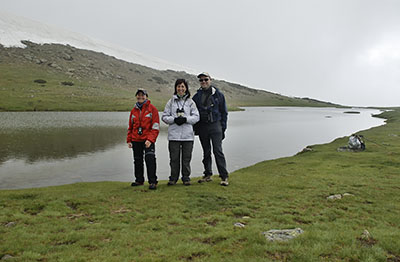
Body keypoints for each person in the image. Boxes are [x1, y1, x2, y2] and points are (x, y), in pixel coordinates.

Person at [192, 72, 229, 186]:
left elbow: (224, 113)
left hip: (215, 125)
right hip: (203, 126)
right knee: (206, 151)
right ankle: (207, 174)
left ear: (210, 80)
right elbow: (193, 112)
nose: (203, 82)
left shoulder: (218, 95)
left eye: (205, 79)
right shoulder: (196, 96)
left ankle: (224, 176)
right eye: (201, 80)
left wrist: (223, 128)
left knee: (217, 151)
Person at [162, 79, 200, 185]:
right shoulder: (170, 102)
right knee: (174, 159)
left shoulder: (191, 102)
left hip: (188, 136)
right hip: (173, 136)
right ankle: (173, 178)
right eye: (178, 86)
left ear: (186, 88)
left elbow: (197, 117)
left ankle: (186, 178)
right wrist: (174, 119)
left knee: (186, 159)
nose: (181, 89)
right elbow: (164, 117)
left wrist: (186, 119)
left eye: (183, 86)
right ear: (175, 88)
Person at [127, 89, 160, 190]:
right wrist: (129, 140)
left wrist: (150, 139)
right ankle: (139, 180)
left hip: (148, 140)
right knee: (137, 161)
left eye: (143, 95)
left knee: (150, 160)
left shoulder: (152, 109)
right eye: (138, 95)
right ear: (136, 96)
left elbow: (155, 127)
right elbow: (131, 126)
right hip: (136, 139)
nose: (140, 97)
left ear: (146, 97)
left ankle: (153, 182)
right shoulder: (133, 111)